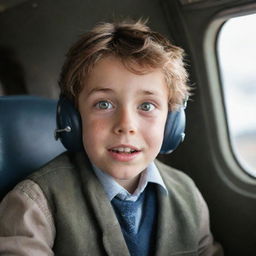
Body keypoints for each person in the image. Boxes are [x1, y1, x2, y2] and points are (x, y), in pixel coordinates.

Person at [0, 19, 223, 255]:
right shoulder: (34, 203)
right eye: (103, 104)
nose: (126, 125)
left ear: (173, 123)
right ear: (72, 119)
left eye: (147, 106)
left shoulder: (188, 195)